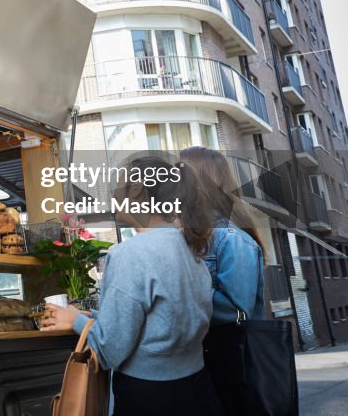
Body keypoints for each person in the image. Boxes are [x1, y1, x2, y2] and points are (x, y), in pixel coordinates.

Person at [41, 155, 221, 416]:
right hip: (198, 388)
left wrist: (76, 322)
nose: (113, 192)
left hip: (151, 398)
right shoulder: (190, 248)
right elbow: (159, 320)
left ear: (136, 190)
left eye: (117, 183)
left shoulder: (131, 254)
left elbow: (109, 351)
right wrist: (94, 317)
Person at [179, 146, 266, 325]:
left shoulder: (232, 239)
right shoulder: (187, 235)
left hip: (226, 350)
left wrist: (176, 297)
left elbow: (235, 311)